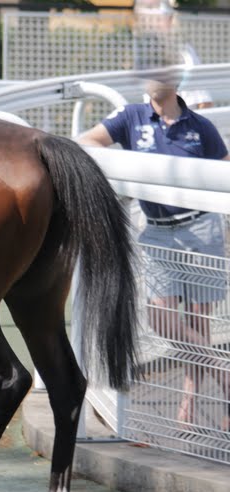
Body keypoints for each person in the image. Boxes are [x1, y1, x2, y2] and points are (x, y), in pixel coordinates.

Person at [78, 68, 230, 430]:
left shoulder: (200, 126)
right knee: (160, 316)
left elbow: (223, 169)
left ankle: (192, 404)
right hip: (159, 232)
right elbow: (89, 141)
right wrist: (122, 177)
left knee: (198, 321)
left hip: (201, 227)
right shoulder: (130, 117)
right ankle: (224, 370)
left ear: (175, 80)